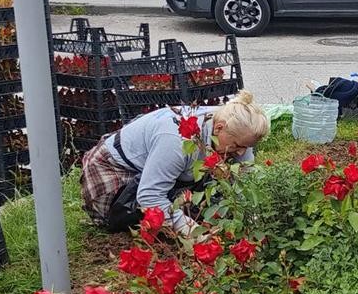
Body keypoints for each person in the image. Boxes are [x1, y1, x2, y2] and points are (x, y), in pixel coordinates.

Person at [80, 91, 270, 235]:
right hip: (113, 168)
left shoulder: (237, 129)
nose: (242, 153)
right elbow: (149, 196)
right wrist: (194, 233)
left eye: (247, 147)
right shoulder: (177, 141)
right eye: (237, 146)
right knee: (136, 215)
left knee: (199, 203)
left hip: (156, 163)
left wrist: (251, 222)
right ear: (219, 128)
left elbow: (244, 183)